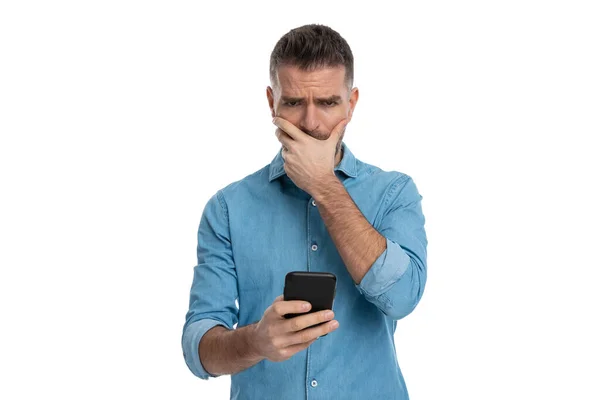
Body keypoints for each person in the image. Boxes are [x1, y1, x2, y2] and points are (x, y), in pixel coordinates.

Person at [181, 23, 428, 400]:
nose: (311, 123)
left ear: (352, 103)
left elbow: (403, 298)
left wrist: (324, 186)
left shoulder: (394, 193)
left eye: (328, 103)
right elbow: (198, 349)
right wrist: (255, 342)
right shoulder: (228, 208)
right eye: (294, 103)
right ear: (271, 102)